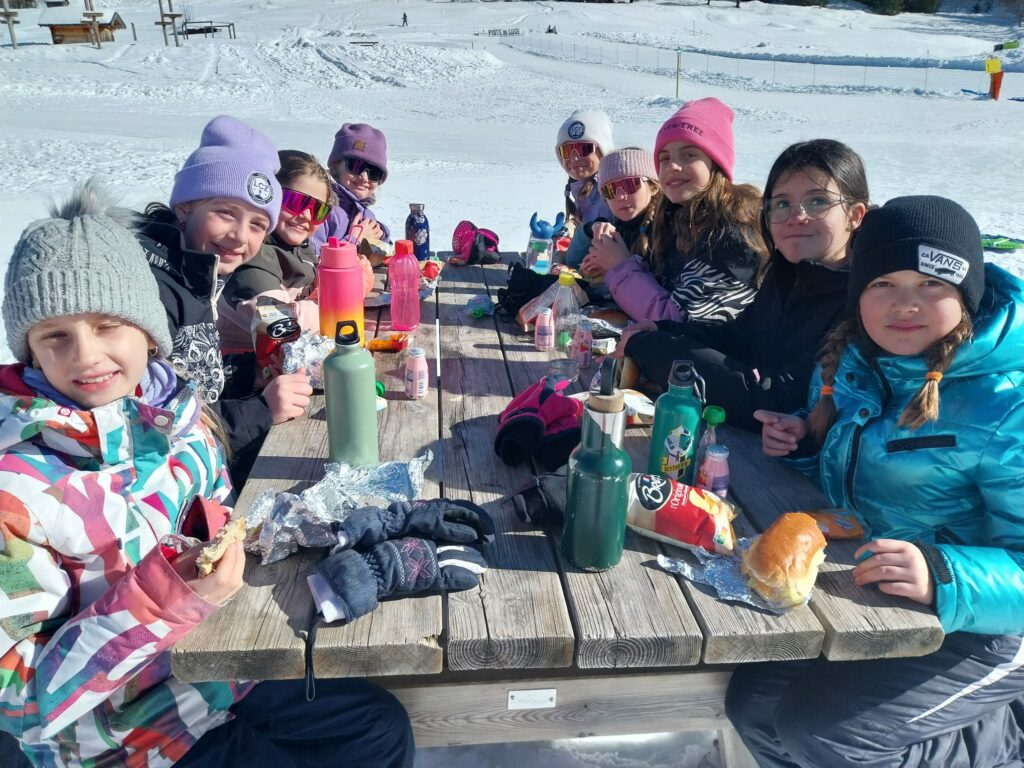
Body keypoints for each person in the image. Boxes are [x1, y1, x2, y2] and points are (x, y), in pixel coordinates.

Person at [0, 187, 414, 768]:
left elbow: (219, 520)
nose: (86, 355)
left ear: (147, 331)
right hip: (130, 737)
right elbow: (20, 703)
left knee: (377, 730)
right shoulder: (17, 490)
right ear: (31, 351)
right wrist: (167, 599)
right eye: (55, 336)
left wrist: (315, 529)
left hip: (225, 674)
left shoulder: (180, 419)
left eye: (107, 325)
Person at [729, 196, 1024, 767]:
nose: (904, 303)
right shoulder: (854, 361)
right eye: (883, 283)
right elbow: (864, 474)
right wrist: (807, 444)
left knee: (826, 734)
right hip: (877, 594)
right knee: (754, 705)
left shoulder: (1006, 403)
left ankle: (1003, 743)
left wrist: (943, 573)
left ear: (968, 293)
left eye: (931, 284)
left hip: (987, 623)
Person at [619, 139, 869, 429]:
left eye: (817, 202)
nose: (796, 217)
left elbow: (779, 398)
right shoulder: (788, 272)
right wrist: (664, 330)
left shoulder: (866, 303)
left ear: (854, 216)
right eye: (782, 204)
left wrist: (654, 349)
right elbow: (743, 336)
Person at [135, 115, 313, 488]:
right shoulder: (151, 289)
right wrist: (261, 410)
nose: (239, 236)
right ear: (185, 206)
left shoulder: (198, 275)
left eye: (257, 224)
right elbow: (156, 432)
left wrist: (247, 374)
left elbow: (192, 378)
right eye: (226, 213)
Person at [584, 98, 765, 324]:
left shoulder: (732, 234)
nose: (672, 166)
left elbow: (681, 322)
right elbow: (666, 289)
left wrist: (620, 268)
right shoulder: (676, 220)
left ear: (716, 163)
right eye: (665, 158)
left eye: (689, 155)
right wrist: (614, 267)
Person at [219, 149, 366, 354]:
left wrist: (343, 275)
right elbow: (280, 326)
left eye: (318, 210)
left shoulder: (300, 247)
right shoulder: (250, 254)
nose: (306, 215)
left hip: (288, 359)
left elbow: (311, 289)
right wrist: (346, 296)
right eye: (295, 201)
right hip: (243, 366)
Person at [563, 146, 660, 274]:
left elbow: (666, 285)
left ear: (652, 186)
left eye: (630, 185)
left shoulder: (666, 231)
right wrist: (589, 231)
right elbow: (571, 264)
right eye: (610, 190)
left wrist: (621, 266)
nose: (620, 196)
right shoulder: (615, 229)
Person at [310, 122, 393, 256]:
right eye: (356, 166)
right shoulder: (323, 208)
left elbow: (383, 254)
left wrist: (381, 232)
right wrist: (354, 240)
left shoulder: (366, 214)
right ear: (336, 166)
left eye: (374, 172)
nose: (364, 177)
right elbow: (313, 259)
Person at [556, 108, 614, 229]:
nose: (574, 157)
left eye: (584, 148)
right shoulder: (580, 190)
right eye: (566, 150)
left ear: (603, 150)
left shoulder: (614, 192)